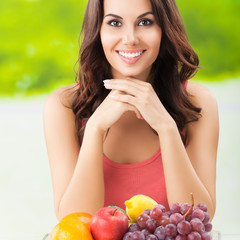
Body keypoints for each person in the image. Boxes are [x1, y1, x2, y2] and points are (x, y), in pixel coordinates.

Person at [43, 0, 219, 221]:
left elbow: (197, 220)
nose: (130, 39)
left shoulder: (196, 101)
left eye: (145, 22)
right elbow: (74, 224)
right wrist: (95, 129)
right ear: (97, 31)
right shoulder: (64, 106)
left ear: (165, 29)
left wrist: (167, 128)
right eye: (115, 23)